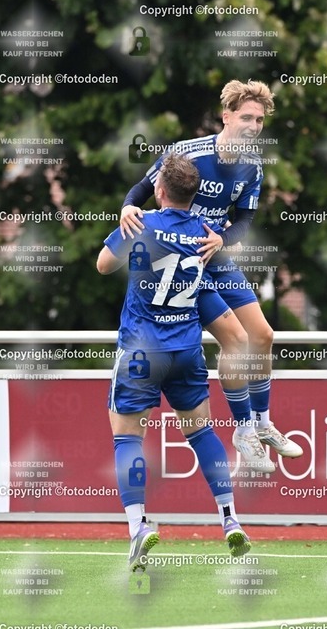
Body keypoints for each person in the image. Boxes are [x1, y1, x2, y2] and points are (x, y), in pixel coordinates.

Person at [119, 79, 302, 470]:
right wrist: (127, 207)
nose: (254, 126)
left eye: (260, 120)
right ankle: (243, 430)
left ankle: (263, 424)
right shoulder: (188, 153)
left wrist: (223, 239)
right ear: (227, 116)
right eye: (247, 117)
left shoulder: (252, 167)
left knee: (263, 335)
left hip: (215, 257)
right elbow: (142, 189)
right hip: (184, 264)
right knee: (236, 339)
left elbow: (245, 219)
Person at [97, 153, 252, 572]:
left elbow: (103, 265)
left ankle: (138, 527)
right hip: (186, 350)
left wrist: (131, 224)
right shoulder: (206, 233)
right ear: (193, 194)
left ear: (160, 190)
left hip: (141, 351)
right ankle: (230, 518)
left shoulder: (142, 223)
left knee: (127, 439)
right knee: (201, 431)